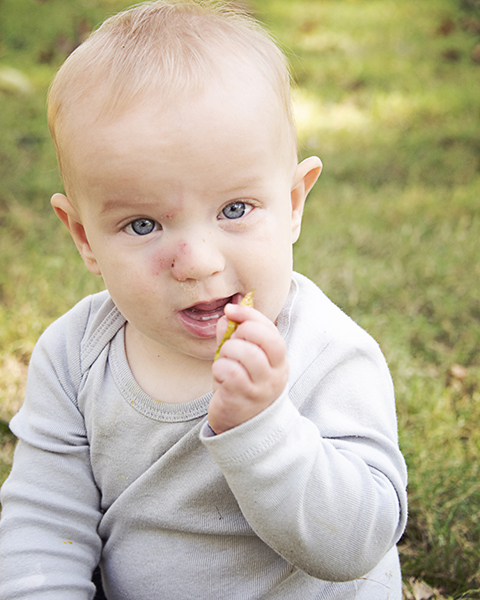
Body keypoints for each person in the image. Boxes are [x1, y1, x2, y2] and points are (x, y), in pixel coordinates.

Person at [0, 1, 408, 598]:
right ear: (84, 236)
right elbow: (43, 527)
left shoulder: (328, 353)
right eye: (142, 225)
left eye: (234, 210)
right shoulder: (74, 358)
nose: (196, 261)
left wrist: (264, 428)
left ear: (293, 203)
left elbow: (357, 544)